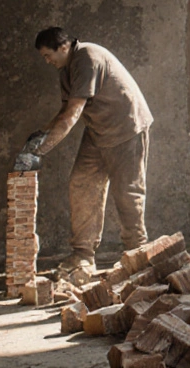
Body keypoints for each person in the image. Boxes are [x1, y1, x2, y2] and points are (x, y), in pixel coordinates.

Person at [33, 27, 154, 274]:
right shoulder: (66, 69)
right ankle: (83, 255)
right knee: (81, 183)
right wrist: (37, 138)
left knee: (127, 192)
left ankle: (138, 255)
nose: (47, 61)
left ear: (63, 47)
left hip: (125, 128)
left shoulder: (87, 58)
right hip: (98, 131)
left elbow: (73, 115)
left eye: (48, 55)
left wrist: (39, 151)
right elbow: (63, 113)